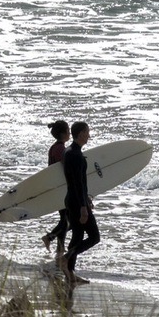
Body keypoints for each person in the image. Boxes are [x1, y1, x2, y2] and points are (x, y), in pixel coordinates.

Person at [62, 121, 100, 286]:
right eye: (87, 132)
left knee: (77, 236)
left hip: (73, 199)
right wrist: (83, 207)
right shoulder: (76, 155)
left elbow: (77, 184)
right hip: (77, 203)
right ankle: (66, 259)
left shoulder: (69, 152)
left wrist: (86, 200)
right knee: (94, 237)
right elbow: (78, 183)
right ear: (81, 133)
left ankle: (70, 273)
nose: (89, 135)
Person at [41, 120, 72, 263]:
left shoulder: (56, 147)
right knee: (69, 220)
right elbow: (66, 167)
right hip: (61, 189)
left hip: (58, 187)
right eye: (68, 130)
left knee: (64, 219)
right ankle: (49, 238)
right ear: (63, 133)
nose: (70, 133)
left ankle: (60, 247)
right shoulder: (60, 149)